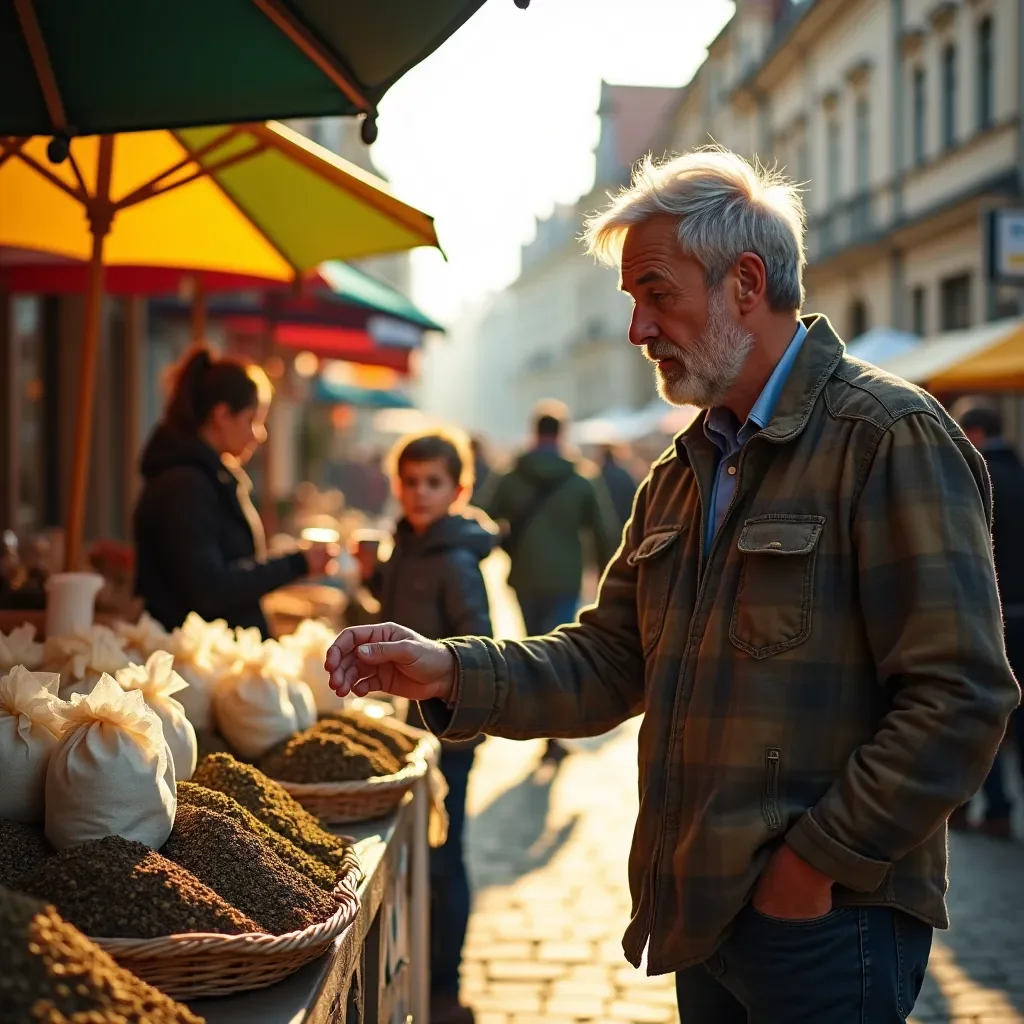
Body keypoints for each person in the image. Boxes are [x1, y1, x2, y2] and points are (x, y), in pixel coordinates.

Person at [325, 148, 1020, 1023]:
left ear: (745, 282)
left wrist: (810, 869)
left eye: (657, 294)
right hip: (703, 919)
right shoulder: (684, 468)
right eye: (632, 302)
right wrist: (452, 670)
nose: (638, 330)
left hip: (825, 926)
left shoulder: (887, 437)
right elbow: (613, 657)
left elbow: (961, 698)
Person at [353, 429, 495, 1024]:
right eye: (410, 482)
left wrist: (453, 708)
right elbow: (395, 606)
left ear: (458, 489)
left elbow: (479, 644)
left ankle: (445, 982)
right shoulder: (407, 544)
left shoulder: (457, 559)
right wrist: (370, 576)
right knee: (421, 852)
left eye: (433, 482)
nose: (419, 492)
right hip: (408, 728)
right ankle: (423, 964)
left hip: (450, 729)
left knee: (444, 855)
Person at [134, 347, 332, 637]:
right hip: (196, 660)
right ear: (222, 415)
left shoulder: (206, 478)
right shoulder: (185, 486)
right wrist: (297, 563)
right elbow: (209, 588)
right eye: (252, 419)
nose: (259, 434)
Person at [481, 402, 617, 764]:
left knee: (533, 646)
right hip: (564, 578)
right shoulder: (581, 478)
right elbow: (604, 534)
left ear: (534, 431)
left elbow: (485, 515)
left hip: (524, 576)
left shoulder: (512, 475)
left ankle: (540, 726)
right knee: (558, 651)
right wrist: (615, 582)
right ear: (562, 433)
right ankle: (553, 734)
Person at [950, 399, 1024, 838]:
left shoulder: (974, 480)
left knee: (984, 711)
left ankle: (992, 806)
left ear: (974, 434)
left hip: (989, 615)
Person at [599, 443, 640, 531]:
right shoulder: (623, 474)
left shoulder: (599, 476)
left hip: (608, 520)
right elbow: (634, 496)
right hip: (624, 517)